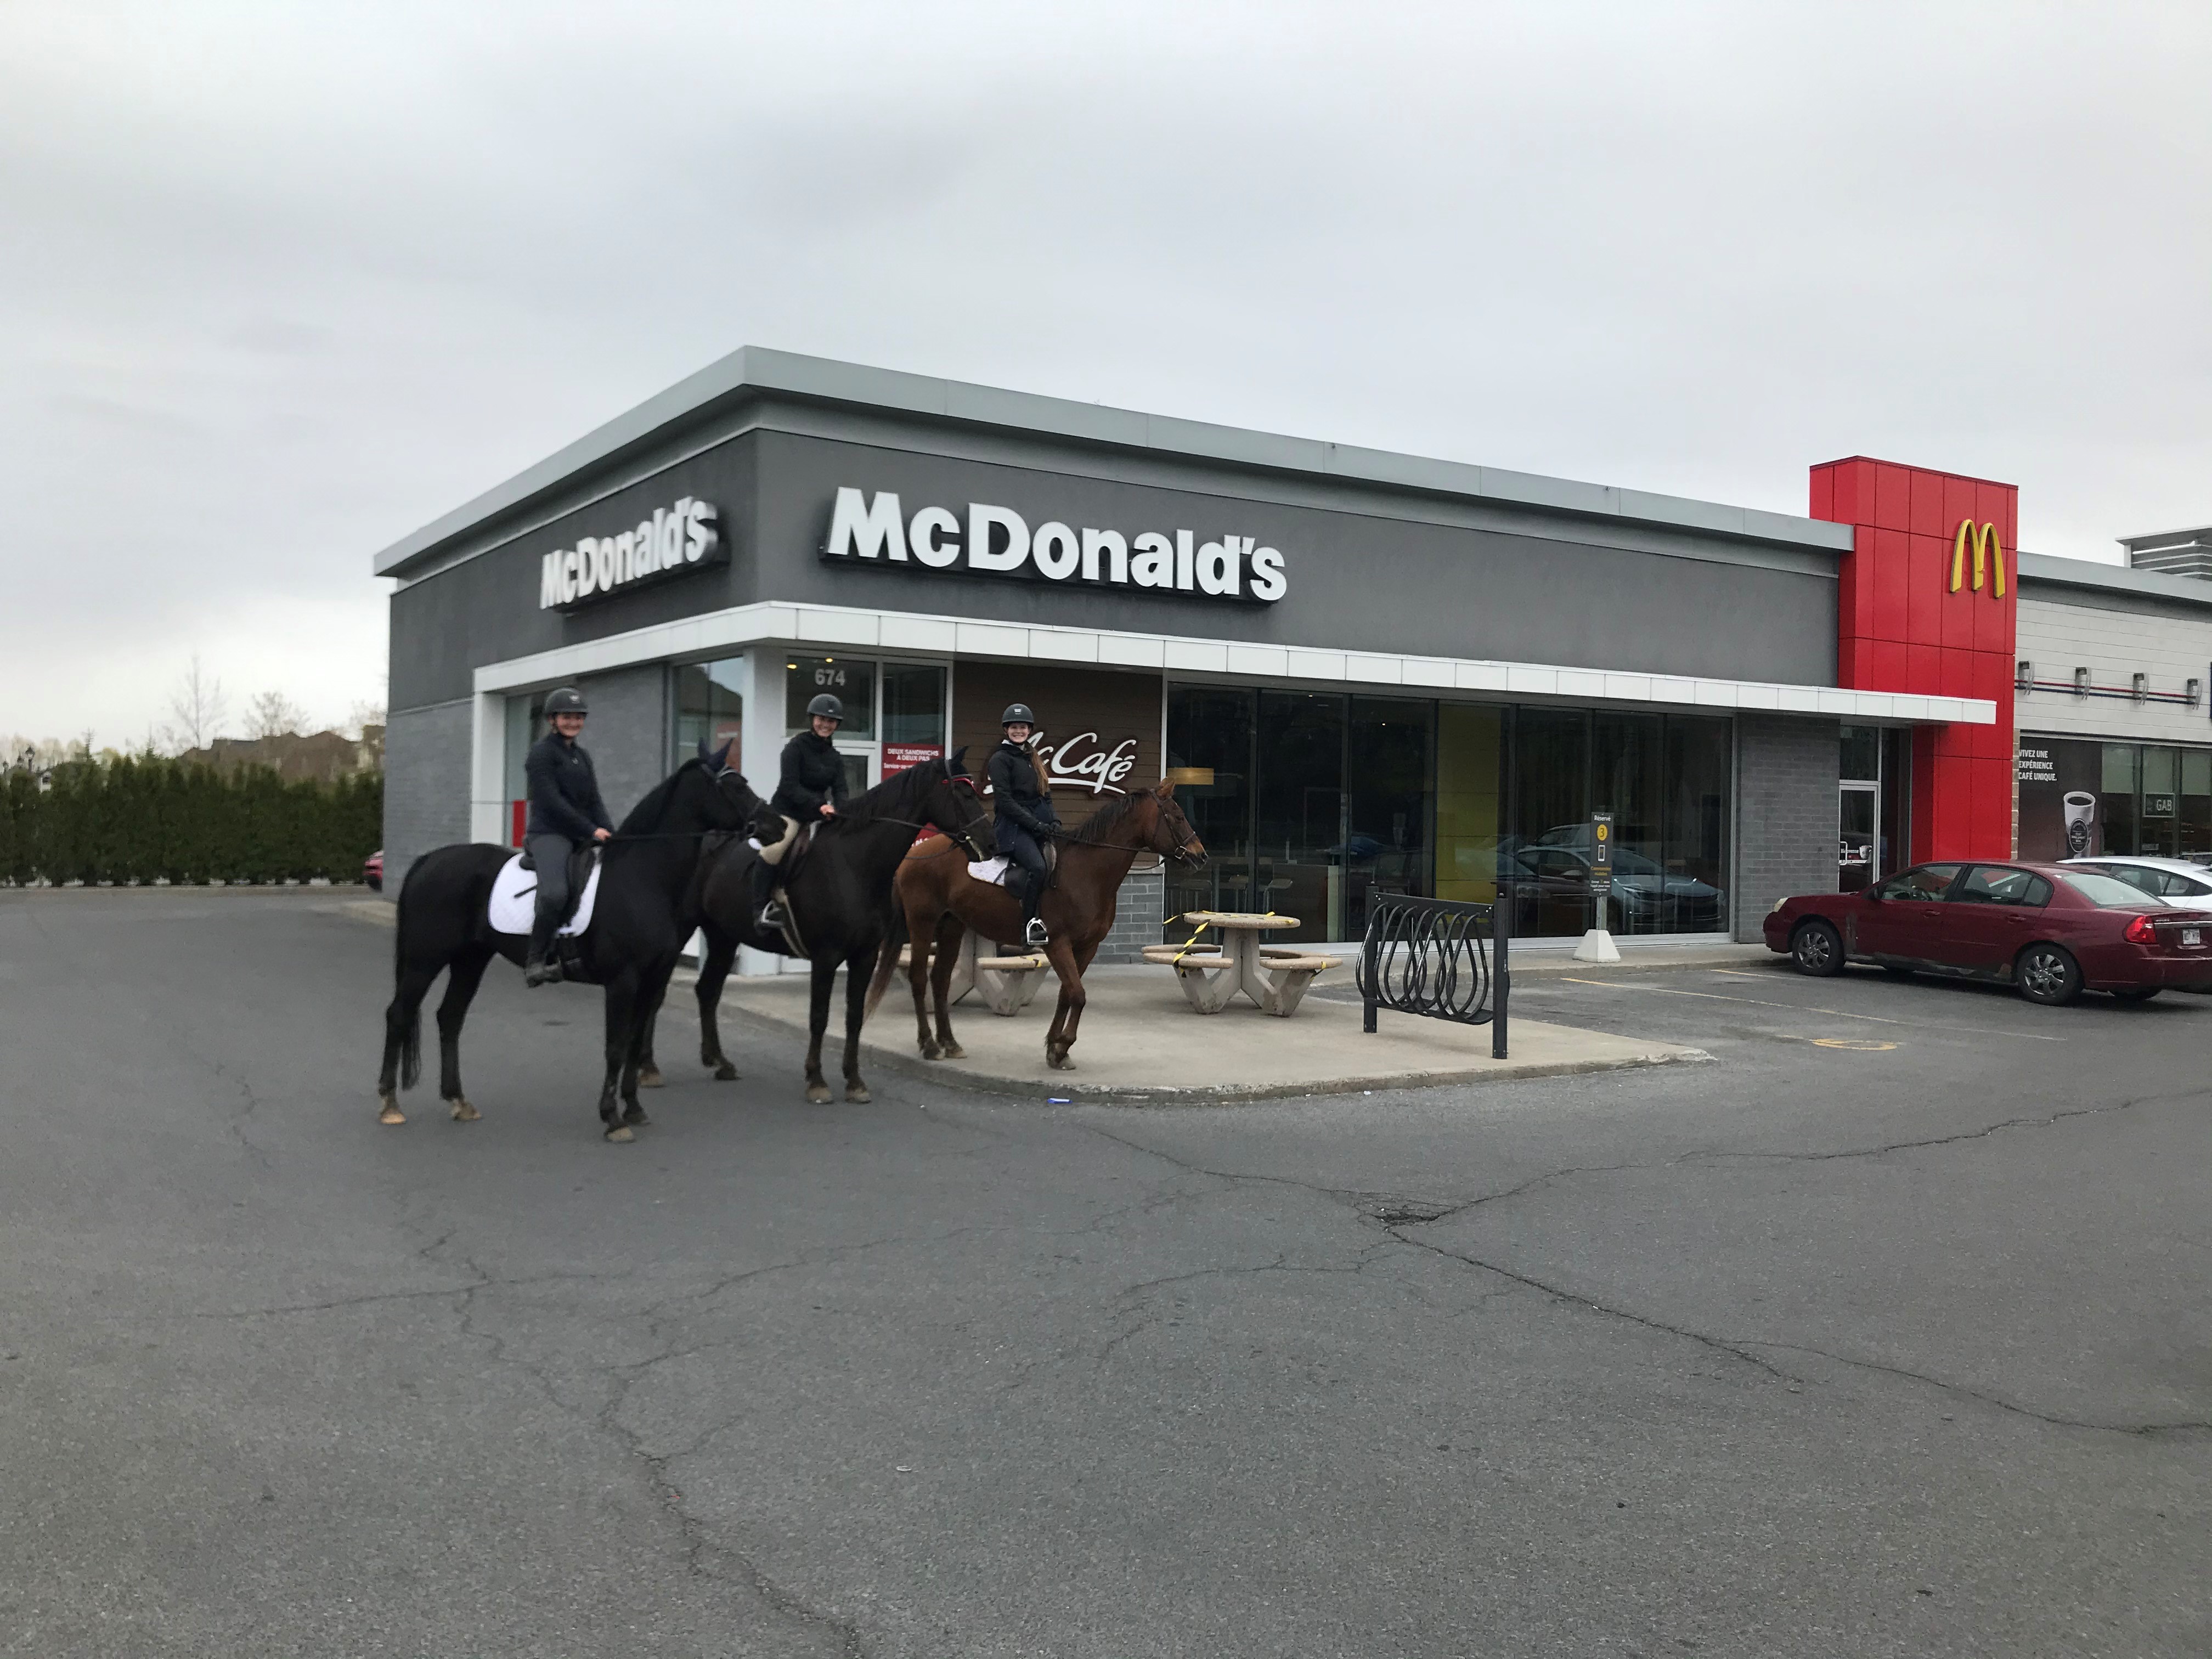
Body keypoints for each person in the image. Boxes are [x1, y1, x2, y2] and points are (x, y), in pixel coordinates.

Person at [522, 687, 613, 986]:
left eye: (578, 717)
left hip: (581, 835)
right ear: (552, 719)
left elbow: (594, 801)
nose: (573, 722)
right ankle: (535, 959)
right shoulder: (541, 754)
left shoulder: (582, 756)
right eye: (567, 717)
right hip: (550, 834)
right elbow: (551, 802)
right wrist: (590, 830)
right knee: (555, 893)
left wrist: (611, 832)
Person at [755, 692, 851, 931]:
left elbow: (841, 789)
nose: (826, 725)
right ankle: (759, 909)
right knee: (775, 850)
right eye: (821, 719)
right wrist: (819, 805)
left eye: (831, 721)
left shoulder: (835, 758)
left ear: (837, 725)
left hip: (819, 815)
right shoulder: (795, 748)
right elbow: (789, 786)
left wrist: (843, 810)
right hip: (790, 812)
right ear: (812, 719)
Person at [986, 702, 1062, 946]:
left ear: (1029, 730)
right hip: (1013, 828)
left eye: (1023, 727)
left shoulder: (1032, 757)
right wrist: (1035, 825)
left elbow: (1044, 795)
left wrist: (1054, 821)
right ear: (1007, 730)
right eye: (1014, 727)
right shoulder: (1000, 759)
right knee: (1038, 868)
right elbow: (1005, 802)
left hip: (1036, 824)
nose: (1019, 731)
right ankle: (1028, 925)